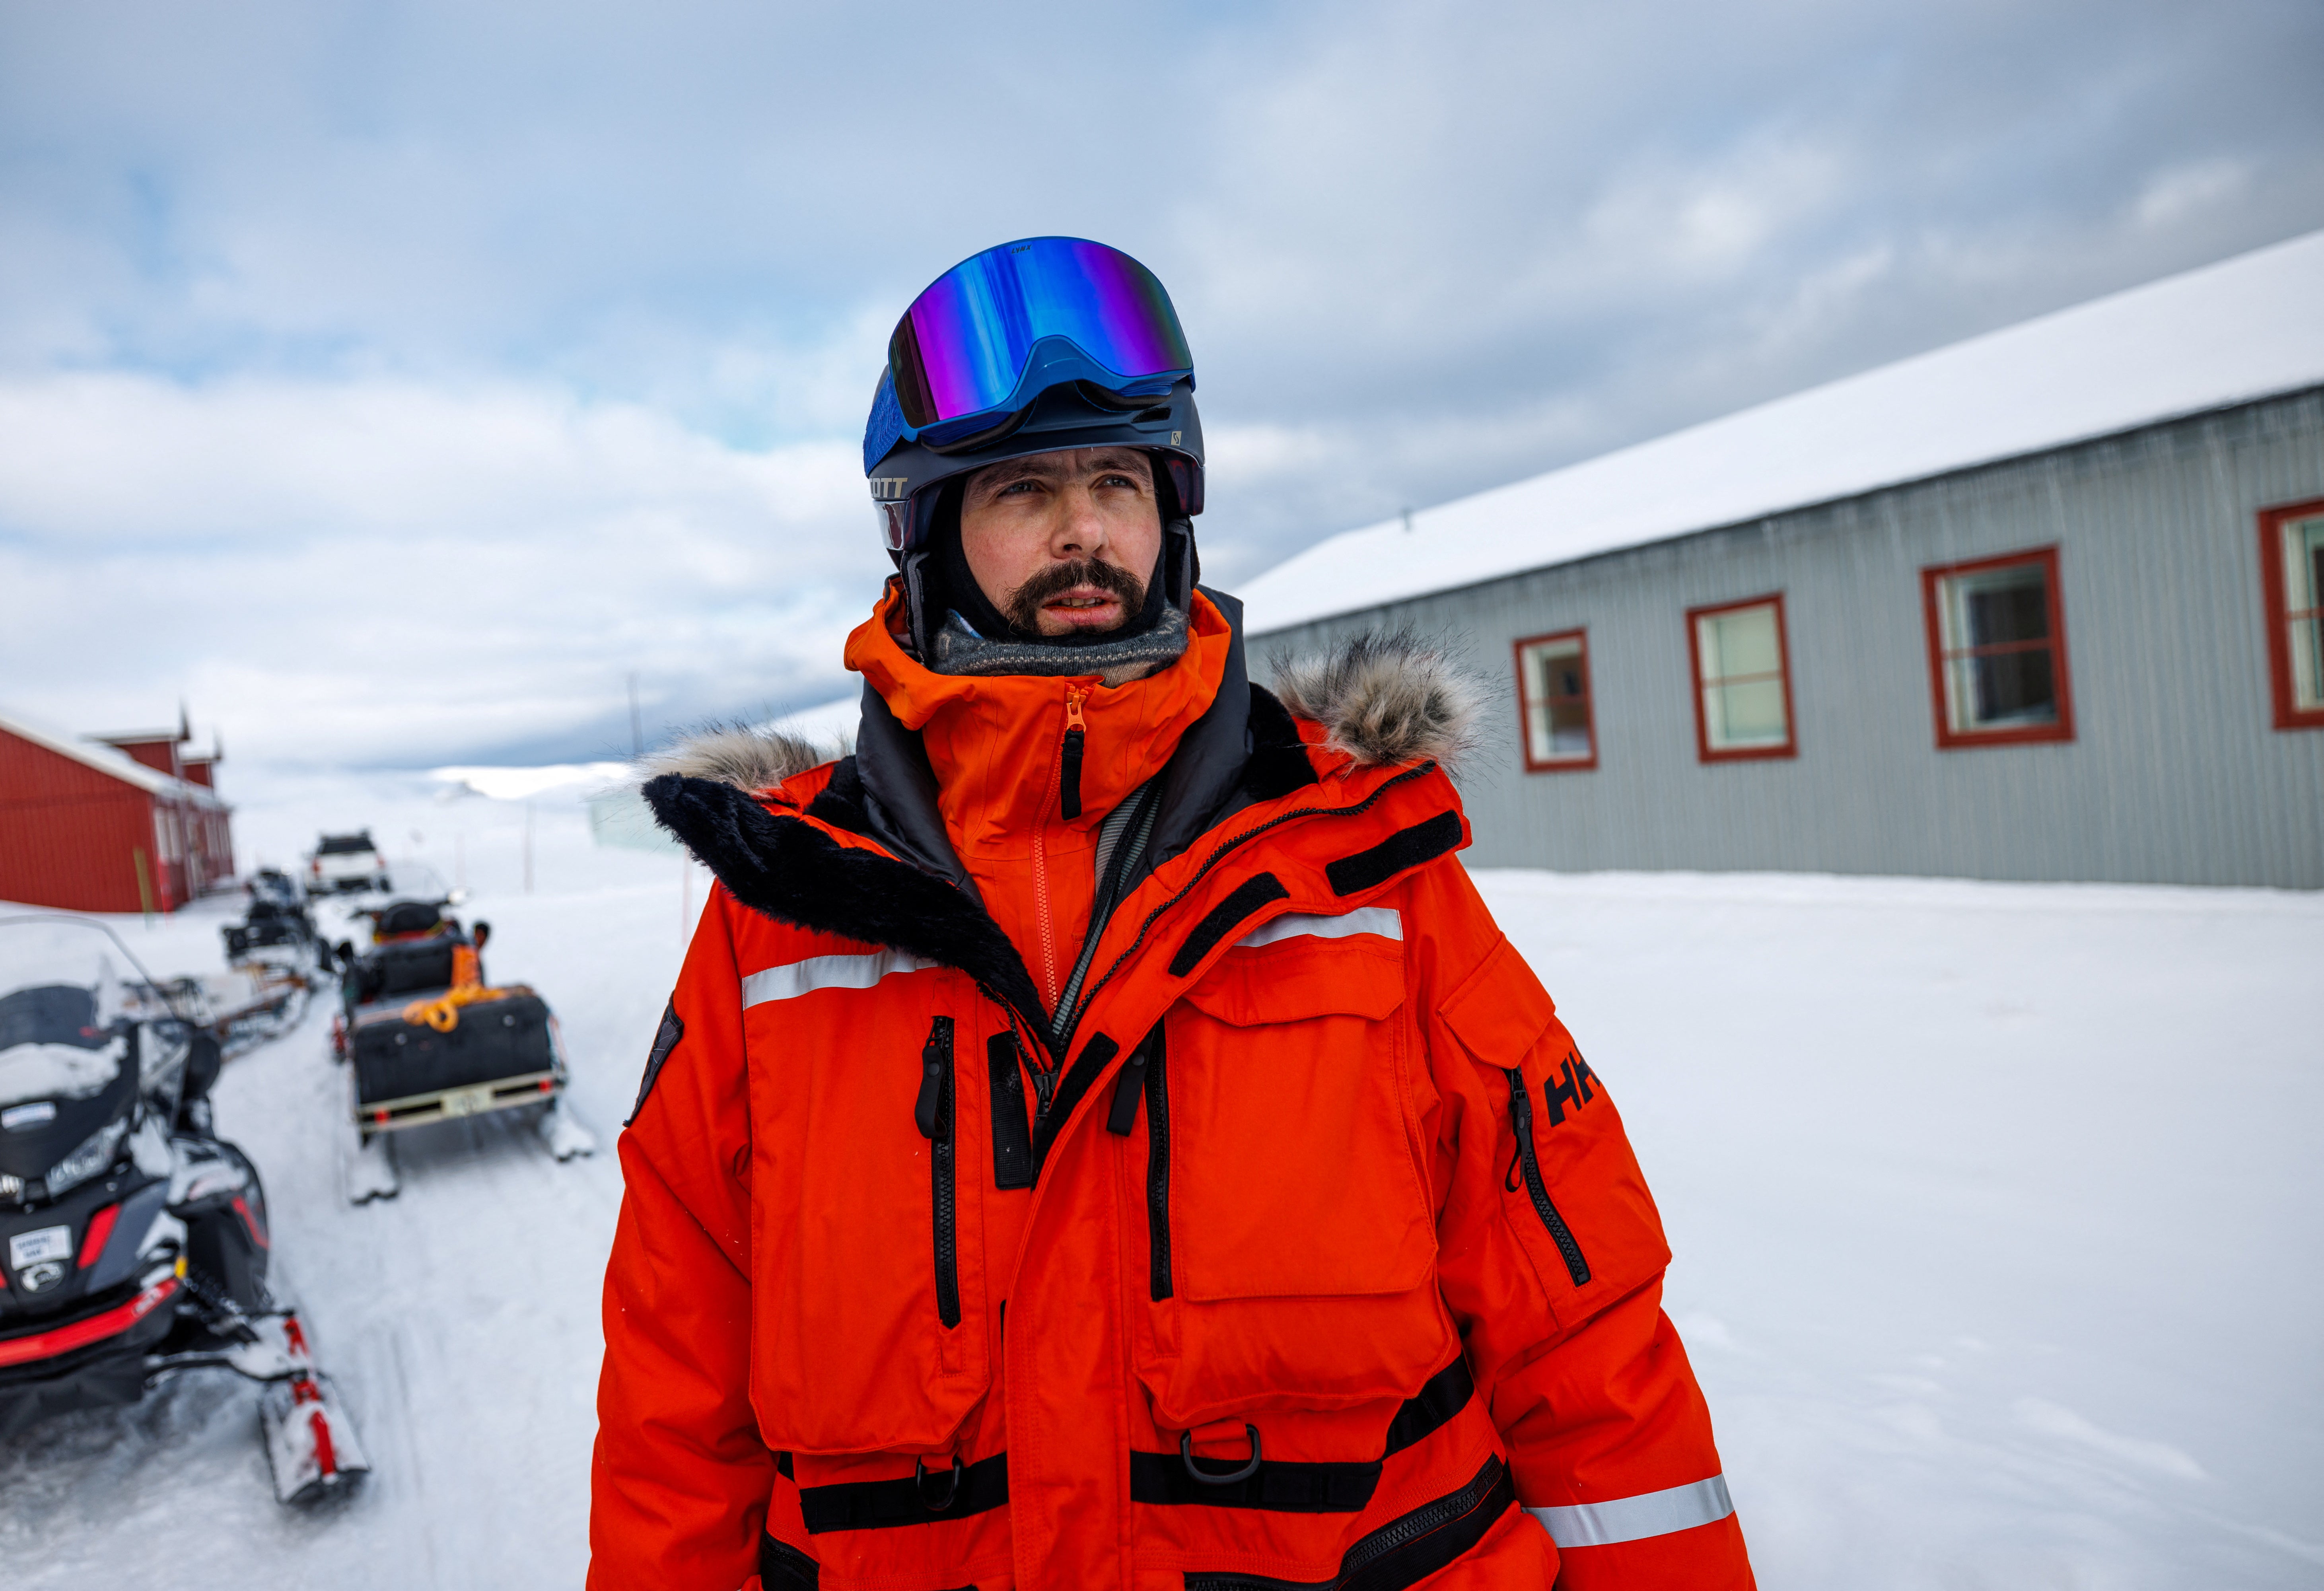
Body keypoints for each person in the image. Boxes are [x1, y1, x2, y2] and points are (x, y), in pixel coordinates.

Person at [591, 237, 1755, 1590]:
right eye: (1024, 490)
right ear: (927, 534)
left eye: (1116, 483)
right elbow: (675, 1406)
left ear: (1171, 513)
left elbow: (1582, 1327)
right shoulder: (780, 914)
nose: (1083, 530)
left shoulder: (1363, 866)